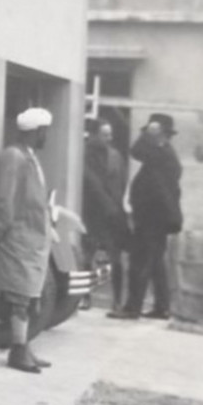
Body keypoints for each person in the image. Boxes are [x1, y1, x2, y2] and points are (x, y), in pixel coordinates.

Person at [0, 107, 55, 374]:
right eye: (45, 132)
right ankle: (18, 350)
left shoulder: (29, 156)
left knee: (29, 296)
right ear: (36, 131)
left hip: (33, 239)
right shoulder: (14, 156)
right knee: (19, 297)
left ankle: (24, 345)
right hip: (19, 238)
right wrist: (3, 231)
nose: (46, 137)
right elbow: (4, 199)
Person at [110, 111, 183, 320]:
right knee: (156, 263)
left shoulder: (162, 154)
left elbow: (135, 150)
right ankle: (162, 307)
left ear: (161, 134)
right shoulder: (164, 154)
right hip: (157, 218)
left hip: (153, 218)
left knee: (140, 261)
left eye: (153, 132)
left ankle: (132, 308)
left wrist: (147, 134)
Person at [82, 116, 129, 313]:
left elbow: (122, 182)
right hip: (90, 213)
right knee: (86, 256)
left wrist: (117, 207)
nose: (109, 138)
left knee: (115, 258)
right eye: (104, 135)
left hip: (113, 215)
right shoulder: (82, 154)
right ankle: (84, 297)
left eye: (110, 135)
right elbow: (91, 184)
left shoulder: (116, 156)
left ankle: (117, 300)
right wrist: (107, 204)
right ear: (92, 135)